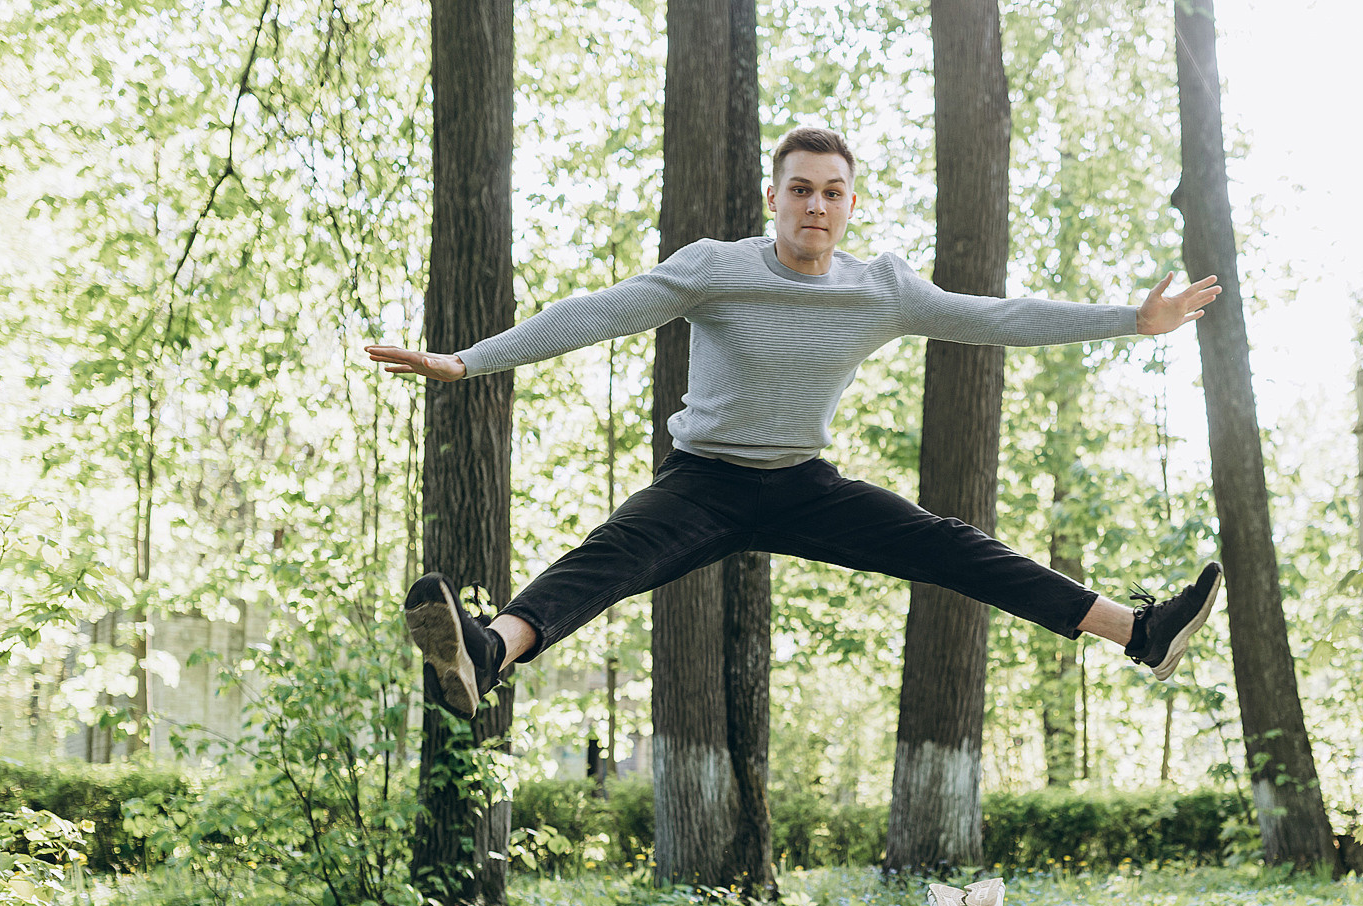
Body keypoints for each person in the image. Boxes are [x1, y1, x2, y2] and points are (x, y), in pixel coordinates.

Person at [367, 124, 1224, 719]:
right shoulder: (715, 268)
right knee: (609, 556)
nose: (816, 205)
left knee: (952, 545)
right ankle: (487, 653)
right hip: (702, 482)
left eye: (832, 193)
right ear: (772, 197)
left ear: (851, 205)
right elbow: (599, 311)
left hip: (804, 486)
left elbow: (999, 317)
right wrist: (468, 361)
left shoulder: (880, 289)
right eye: (801, 190)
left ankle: (1141, 631)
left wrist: (1132, 319)